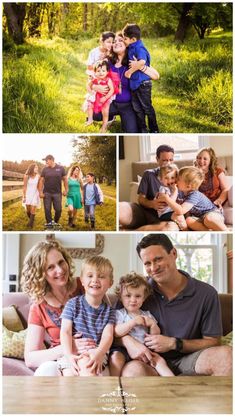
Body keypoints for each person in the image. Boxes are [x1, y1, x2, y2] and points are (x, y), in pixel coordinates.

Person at [117, 234, 232, 377]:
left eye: (158, 259)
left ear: (173, 253)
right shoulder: (136, 291)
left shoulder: (206, 293)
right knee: (132, 371)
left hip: (190, 359)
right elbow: (110, 330)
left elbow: (213, 342)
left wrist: (174, 343)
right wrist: (128, 342)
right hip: (149, 361)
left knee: (226, 356)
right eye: (147, 263)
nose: (154, 268)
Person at [20, 240, 88, 376]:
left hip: (91, 353)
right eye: (50, 267)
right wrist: (68, 347)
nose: (60, 270)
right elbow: (30, 358)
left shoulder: (85, 284)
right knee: (47, 370)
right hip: (61, 359)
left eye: (61, 262)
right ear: (40, 274)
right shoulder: (39, 306)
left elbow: (111, 319)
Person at [109, 272, 174, 377]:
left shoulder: (147, 315)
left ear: (144, 298)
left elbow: (155, 335)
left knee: (160, 361)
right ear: (120, 297)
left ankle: (173, 383)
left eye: (138, 296)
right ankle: (113, 384)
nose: (133, 300)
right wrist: (133, 322)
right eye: (128, 296)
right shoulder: (119, 313)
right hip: (123, 349)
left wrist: (153, 325)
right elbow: (116, 332)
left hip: (144, 350)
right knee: (115, 358)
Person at [59, 256, 115, 376]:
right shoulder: (72, 304)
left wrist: (99, 353)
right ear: (82, 281)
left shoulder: (109, 311)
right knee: (69, 375)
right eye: (90, 276)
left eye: (101, 276)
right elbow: (65, 332)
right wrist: (69, 355)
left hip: (96, 352)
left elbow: (108, 336)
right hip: (72, 352)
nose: (95, 280)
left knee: (87, 367)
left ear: (110, 283)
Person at [93, 32, 159, 133]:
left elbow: (156, 76)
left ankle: (127, 118)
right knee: (95, 114)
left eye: (120, 40)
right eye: (114, 41)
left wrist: (140, 66)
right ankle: (110, 117)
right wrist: (94, 86)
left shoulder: (133, 61)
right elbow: (92, 78)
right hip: (112, 102)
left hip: (128, 105)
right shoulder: (108, 62)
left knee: (132, 132)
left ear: (126, 44)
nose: (116, 43)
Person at [119, 144, 179, 231]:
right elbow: (141, 199)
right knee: (120, 208)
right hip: (144, 213)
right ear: (157, 159)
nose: (168, 163)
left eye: (171, 160)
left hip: (166, 217)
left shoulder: (178, 176)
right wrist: (152, 204)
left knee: (169, 228)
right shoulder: (149, 174)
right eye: (165, 160)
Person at [163, 166, 228, 231]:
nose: (176, 180)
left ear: (188, 186)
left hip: (214, 214)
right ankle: (209, 231)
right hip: (201, 218)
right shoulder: (183, 193)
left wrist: (167, 199)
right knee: (188, 220)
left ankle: (225, 231)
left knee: (208, 219)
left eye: (179, 179)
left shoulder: (194, 195)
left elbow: (181, 210)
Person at [122, 23, 159, 133]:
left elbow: (142, 62)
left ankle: (154, 129)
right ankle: (143, 129)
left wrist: (129, 71)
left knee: (147, 108)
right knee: (137, 109)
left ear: (133, 39)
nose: (124, 41)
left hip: (143, 84)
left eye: (125, 39)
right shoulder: (132, 47)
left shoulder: (139, 47)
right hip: (134, 84)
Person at [84, 60, 118, 133]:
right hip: (96, 97)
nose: (101, 73)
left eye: (103, 71)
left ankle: (104, 126)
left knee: (105, 111)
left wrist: (105, 98)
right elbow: (88, 86)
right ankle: (90, 119)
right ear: (95, 72)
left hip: (105, 98)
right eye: (98, 71)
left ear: (107, 72)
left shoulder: (108, 80)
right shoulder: (94, 79)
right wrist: (90, 92)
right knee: (90, 106)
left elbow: (112, 90)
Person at [38, 155, 68, 228]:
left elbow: (65, 179)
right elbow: (41, 181)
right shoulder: (45, 169)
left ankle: (55, 221)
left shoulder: (60, 168)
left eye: (46, 160)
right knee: (47, 209)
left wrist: (66, 189)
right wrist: (40, 192)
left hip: (57, 193)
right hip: (47, 193)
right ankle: (49, 224)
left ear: (51, 160)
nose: (46, 162)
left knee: (58, 210)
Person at [22, 163, 41, 229]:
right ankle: (31, 219)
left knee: (33, 208)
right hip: (28, 194)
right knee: (28, 210)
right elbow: (24, 187)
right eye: (35, 167)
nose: (37, 169)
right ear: (32, 168)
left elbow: (39, 186)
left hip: (35, 193)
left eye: (37, 167)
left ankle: (31, 223)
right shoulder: (27, 176)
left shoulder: (38, 176)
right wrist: (24, 196)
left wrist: (40, 193)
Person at [66, 164, 83, 228]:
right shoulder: (68, 179)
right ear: (72, 171)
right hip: (70, 196)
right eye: (76, 170)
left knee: (75, 212)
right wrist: (65, 192)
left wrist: (82, 197)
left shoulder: (79, 179)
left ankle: (72, 223)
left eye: (78, 171)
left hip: (77, 196)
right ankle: (70, 218)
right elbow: (66, 188)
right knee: (70, 209)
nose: (77, 172)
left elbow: (82, 189)